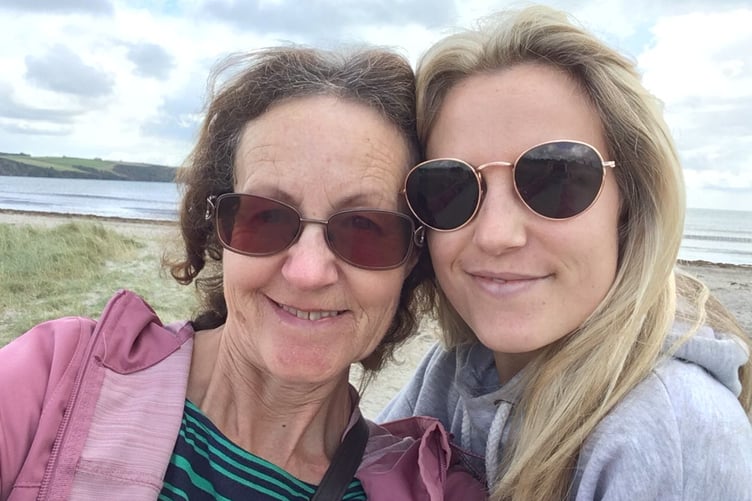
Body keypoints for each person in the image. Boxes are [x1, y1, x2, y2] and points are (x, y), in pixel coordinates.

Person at [0, 46, 485, 500]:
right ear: (217, 232)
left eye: (365, 228)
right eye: (265, 217)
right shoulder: (55, 377)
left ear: (413, 258)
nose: (308, 272)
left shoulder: (433, 490)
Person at [378, 6, 752, 500]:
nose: (495, 234)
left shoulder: (671, 428)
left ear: (630, 203)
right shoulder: (454, 373)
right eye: (450, 187)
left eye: (554, 179)